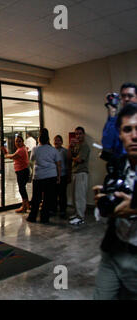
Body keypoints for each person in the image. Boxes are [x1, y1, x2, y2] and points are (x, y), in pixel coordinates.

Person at [93, 103, 137, 299]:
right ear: (120, 134)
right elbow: (106, 212)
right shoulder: (117, 166)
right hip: (113, 252)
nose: (134, 136)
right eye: (128, 130)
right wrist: (105, 200)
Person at [26, 128, 61, 224]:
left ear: (39, 138)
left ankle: (32, 216)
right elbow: (58, 164)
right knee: (47, 198)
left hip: (38, 176)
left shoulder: (35, 149)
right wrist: (58, 177)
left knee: (36, 198)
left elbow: (31, 161)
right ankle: (44, 218)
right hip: (51, 176)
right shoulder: (53, 150)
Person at [101, 82, 137, 161]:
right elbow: (107, 145)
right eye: (123, 96)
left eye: (130, 96)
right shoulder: (116, 120)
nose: (126, 99)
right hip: (123, 166)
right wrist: (112, 113)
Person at [68, 126, 90, 225]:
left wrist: (74, 157)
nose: (78, 136)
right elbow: (69, 157)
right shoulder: (76, 146)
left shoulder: (85, 146)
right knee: (75, 195)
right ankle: (77, 214)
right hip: (75, 172)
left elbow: (80, 160)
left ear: (83, 135)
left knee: (80, 196)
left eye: (80, 133)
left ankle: (81, 217)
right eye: (76, 134)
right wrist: (70, 147)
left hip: (82, 173)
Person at [2, 135, 30, 213]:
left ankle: (24, 206)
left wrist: (5, 153)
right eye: (16, 141)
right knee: (22, 189)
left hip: (22, 171)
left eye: (19, 141)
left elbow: (12, 157)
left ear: (22, 142)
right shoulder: (21, 149)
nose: (17, 143)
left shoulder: (21, 150)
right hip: (21, 171)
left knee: (22, 189)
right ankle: (26, 205)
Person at [53, 135, 71, 219]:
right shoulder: (52, 151)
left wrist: (68, 175)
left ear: (62, 142)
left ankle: (63, 210)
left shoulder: (65, 151)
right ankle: (54, 209)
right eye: (55, 140)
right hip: (53, 175)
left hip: (63, 175)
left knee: (62, 194)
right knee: (54, 193)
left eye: (58, 140)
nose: (56, 142)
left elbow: (68, 164)